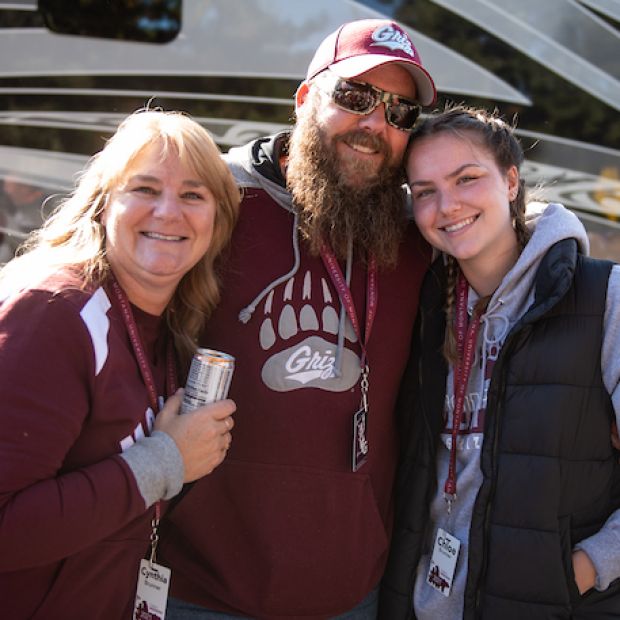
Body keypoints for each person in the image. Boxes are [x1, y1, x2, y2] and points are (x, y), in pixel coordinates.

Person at [158, 18, 437, 620]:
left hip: (350, 594)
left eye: (400, 113)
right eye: (355, 97)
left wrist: (550, 227)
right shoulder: (220, 202)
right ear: (306, 98)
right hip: (199, 590)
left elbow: (498, 227)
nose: (375, 125)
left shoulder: (422, 236)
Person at [379, 105, 620, 619]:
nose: (447, 205)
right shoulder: (424, 310)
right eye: (424, 192)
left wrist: (588, 564)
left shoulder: (603, 297)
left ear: (511, 182)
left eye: (467, 179)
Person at [0, 109, 240, 619]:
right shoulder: (53, 314)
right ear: (103, 203)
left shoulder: (163, 323)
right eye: (146, 189)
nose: (169, 213)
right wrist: (166, 461)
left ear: (216, 221)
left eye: (193, 195)